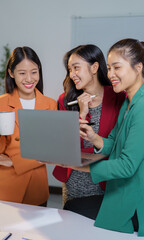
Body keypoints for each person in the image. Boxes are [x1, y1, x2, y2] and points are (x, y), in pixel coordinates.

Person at [78, 39, 144, 235]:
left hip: (135, 200)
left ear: (138, 67)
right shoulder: (128, 102)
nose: (110, 75)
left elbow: (127, 165)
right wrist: (93, 137)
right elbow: (114, 143)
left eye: (117, 68)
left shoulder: (142, 107)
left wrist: (79, 165)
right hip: (121, 191)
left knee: (74, 211)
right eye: (109, 69)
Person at [53, 44, 126, 219]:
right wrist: (83, 113)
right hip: (73, 184)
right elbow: (66, 146)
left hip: (106, 184)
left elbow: (118, 144)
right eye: (69, 69)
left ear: (94, 67)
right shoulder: (66, 99)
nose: (72, 74)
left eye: (76, 68)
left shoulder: (118, 97)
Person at [0, 46, 57, 207]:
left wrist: (15, 162)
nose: (29, 79)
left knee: (34, 233)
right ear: (11, 73)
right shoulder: (0, 102)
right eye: (22, 73)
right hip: (3, 186)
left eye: (34, 72)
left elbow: (51, 150)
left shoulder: (50, 105)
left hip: (35, 187)